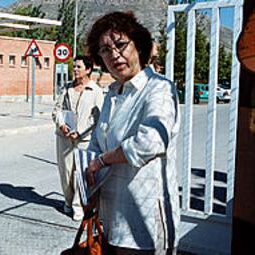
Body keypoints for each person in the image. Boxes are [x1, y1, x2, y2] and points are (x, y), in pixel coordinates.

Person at [85, 12, 180, 254]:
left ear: (138, 46)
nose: (114, 55)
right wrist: (91, 175)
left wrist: (103, 160)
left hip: (143, 217)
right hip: (111, 215)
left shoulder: (159, 88)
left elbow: (151, 142)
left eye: (120, 45)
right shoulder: (112, 94)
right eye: (105, 50)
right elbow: (97, 141)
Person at [52, 56, 104, 221]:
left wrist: (80, 131)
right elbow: (56, 110)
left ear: (88, 69)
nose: (75, 69)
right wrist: (61, 125)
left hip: (84, 139)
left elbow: (97, 117)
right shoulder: (67, 88)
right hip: (64, 137)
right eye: (74, 66)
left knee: (80, 173)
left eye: (78, 67)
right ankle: (68, 201)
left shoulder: (95, 91)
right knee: (65, 172)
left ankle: (78, 207)